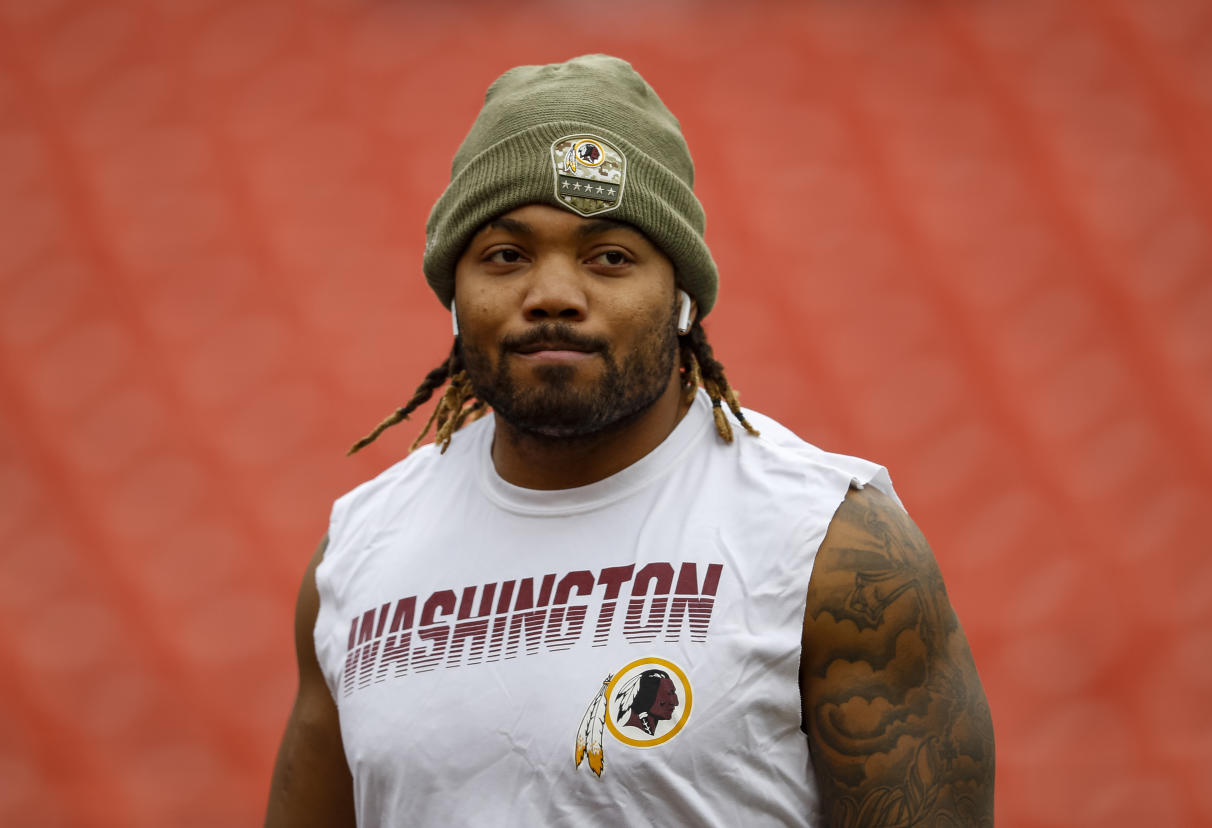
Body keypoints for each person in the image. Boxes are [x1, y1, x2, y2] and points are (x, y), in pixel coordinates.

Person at [265, 54, 994, 827]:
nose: (552, 296)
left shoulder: (831, 552)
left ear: (682, 298)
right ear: (454, 296)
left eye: (609, 258)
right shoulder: (357, 559)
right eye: (505, 256)